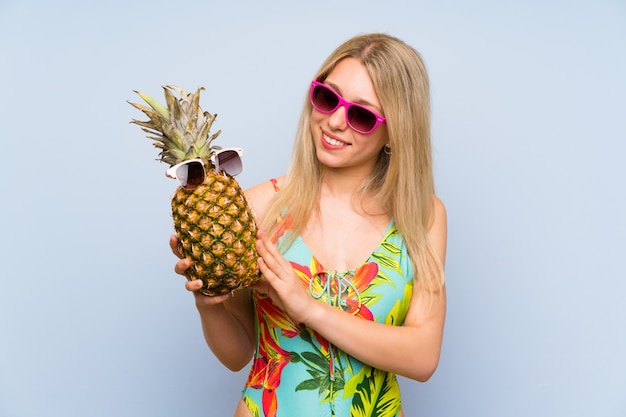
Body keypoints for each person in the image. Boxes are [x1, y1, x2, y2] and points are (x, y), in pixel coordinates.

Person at [170, 32, 447, 417]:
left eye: (362, 115)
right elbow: (237, 355)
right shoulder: (257, 206)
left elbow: (422, 357)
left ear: (395, 131)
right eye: (327, 97)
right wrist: (208, 303)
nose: (334, 121)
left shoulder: (423, 215)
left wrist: (309, 308)